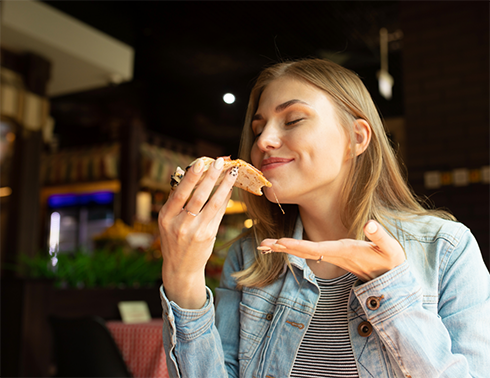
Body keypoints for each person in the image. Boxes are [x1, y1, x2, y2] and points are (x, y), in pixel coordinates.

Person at [158, 58, 490, 378]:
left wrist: (389, 288)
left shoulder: (446, 249)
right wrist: (182, 276)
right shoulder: (250, 256)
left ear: (356, 138)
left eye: (293, 120)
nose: (262, 141)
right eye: (258, 128)